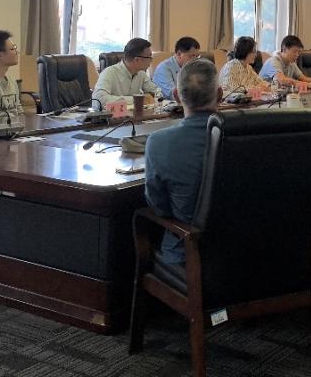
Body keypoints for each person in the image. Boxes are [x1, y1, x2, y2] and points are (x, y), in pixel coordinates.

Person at [143, 59, 220, 264]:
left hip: (188, 255)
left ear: (176, 96)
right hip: (247, 253)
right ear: (220, 94)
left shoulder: (159, 143)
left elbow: (159, 208)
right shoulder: (245, 136)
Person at [92, 37, 162, 106]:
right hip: (112, 113)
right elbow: (99, 99)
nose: (151, 60)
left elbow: (157, 92)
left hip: (135, 113)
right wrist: (136, 100)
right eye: (149, 57)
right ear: (137, 60)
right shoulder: (109, 73)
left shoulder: (141, 73)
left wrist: (152, 96)